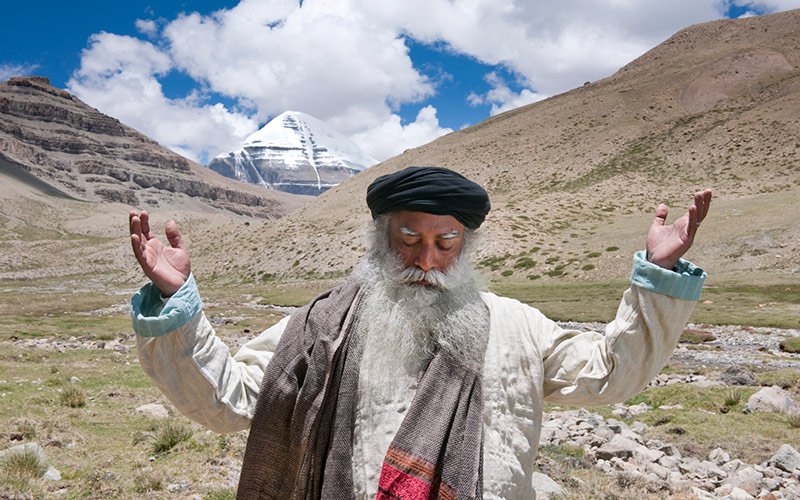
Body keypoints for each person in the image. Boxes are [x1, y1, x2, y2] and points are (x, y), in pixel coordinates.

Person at [129, 166, 712, 500]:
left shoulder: (516, 327)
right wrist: (175, 301)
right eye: (408, 239)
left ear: (467, 246)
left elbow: (611, 370)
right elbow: (227, 399)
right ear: (380, 239)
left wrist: (656, 280)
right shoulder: (319, 328)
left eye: (446, 242)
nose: (426, 260)